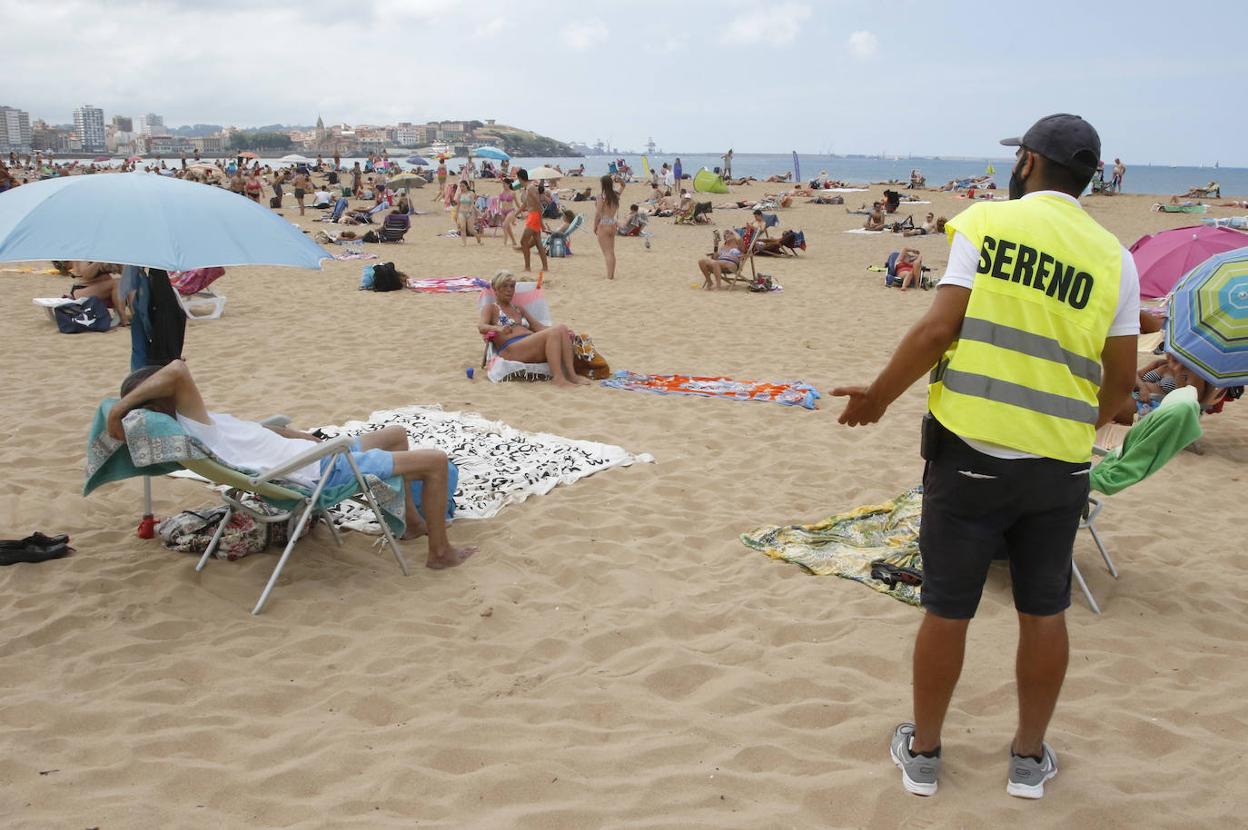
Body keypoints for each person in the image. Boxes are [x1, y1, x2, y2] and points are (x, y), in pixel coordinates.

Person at [832, 114, 1139, 800]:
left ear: (1028, 162)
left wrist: (878, 397)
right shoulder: (1117, 259)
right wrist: (1071, 428)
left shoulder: (987, 224)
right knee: (1044, 609)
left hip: (969, 454)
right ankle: (1028, 762)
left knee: (948, 609)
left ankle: (927, 754)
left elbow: (939, 327)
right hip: (1059, 468)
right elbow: (1121, 385)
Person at [108, 360, 477, 568]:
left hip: (308, 457)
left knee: (395, 433)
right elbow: (177, 369)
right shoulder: (194, 424)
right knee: (436, 463)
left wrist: (301, 437)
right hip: (317, 473)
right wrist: (121, 409)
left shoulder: (193, 427)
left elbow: (255, 435)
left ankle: (412, 525)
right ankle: (440, 554)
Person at [478, 271, 588, 386]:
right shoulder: (491, 308)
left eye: (512, 286)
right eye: (505, 286)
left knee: (563, 328)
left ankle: (572, 376)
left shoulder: (518, 309)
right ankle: (558, 378)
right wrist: (498, 329)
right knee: (557, 330)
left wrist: (564, 332)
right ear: (496, 289)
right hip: (512, 349)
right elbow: (481, 327)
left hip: (529, 344)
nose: (509, 290)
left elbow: (538, 327)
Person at [516, 169, 549, 273]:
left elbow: (538, 204)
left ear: (521, 178)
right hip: (532, 216)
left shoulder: (531, 188)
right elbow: (526, 204)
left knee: (523, 241)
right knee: (538, 242)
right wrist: (516, 214)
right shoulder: (528, 188)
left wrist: (542, 223)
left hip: (534, 216)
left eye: (518, 179)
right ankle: (545, 267)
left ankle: (528, 267)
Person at [592, 175, 622, 278]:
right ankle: (611, 274)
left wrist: (594, 226)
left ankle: (609, 276)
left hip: (604, 225)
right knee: (611, 252)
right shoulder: (616, 195)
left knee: (607, 253)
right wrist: (619, 180)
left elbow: (598, 213)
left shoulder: (601, 196)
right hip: (612, 224)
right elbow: (623, 185)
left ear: (602, 184)